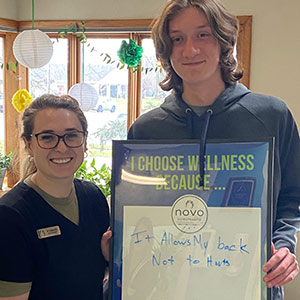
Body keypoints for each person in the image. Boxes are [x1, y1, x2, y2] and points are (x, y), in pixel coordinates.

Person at [127, 0, 300, 299]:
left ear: (223, 42)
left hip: (251, 282)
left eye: (202, 35)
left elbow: (292, 196)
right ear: (166, 51)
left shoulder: (272, 114)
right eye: (177, 39)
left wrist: (284, 245)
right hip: (170, 285)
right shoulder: (146, 130)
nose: (189, 49)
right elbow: (140, 214)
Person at [0, 94, 111, 300]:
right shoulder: (10, 217)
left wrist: (107, 259)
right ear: (29, 144)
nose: (61, 147)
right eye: (47, 137)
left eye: (71, 135)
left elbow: (88, 279)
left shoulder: (93, 198)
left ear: (84, 142)